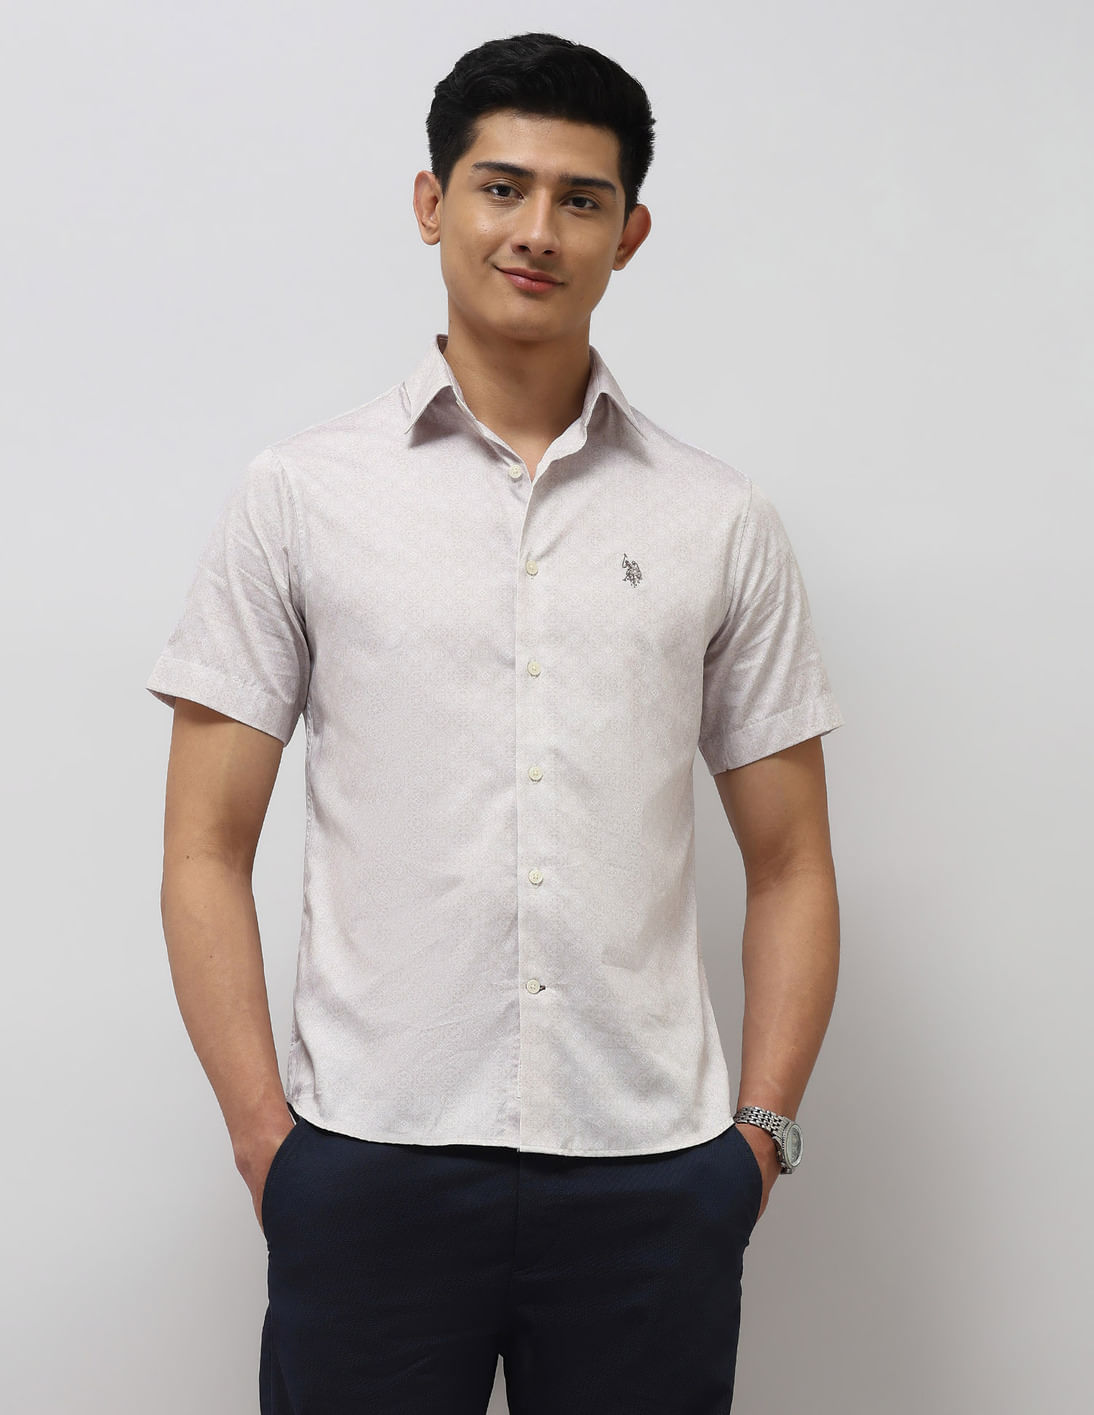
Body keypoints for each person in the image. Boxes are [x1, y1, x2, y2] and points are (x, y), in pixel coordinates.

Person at [147, 31, 844, 1415]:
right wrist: (268, 1141)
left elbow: (791, 862)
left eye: (581, 199)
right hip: (368, 1164)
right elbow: (203, 846)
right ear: (432, 203)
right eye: (501, 187)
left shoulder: (716, 519)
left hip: (650, 1176)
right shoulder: (300, 495)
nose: (537, 231)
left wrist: (755, 1139)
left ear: (629, 235)